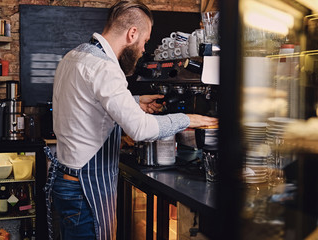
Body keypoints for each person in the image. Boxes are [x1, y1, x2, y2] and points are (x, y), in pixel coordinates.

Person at [44, 1, 218, 239]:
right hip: (84, 187)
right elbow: (140, 129)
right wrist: (189, 119)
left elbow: (87, 102)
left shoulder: (74, 56)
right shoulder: (105, 67)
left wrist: (135, 102)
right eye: (145, 41)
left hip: (66, 180)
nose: (143, 49)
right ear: (132, 33)